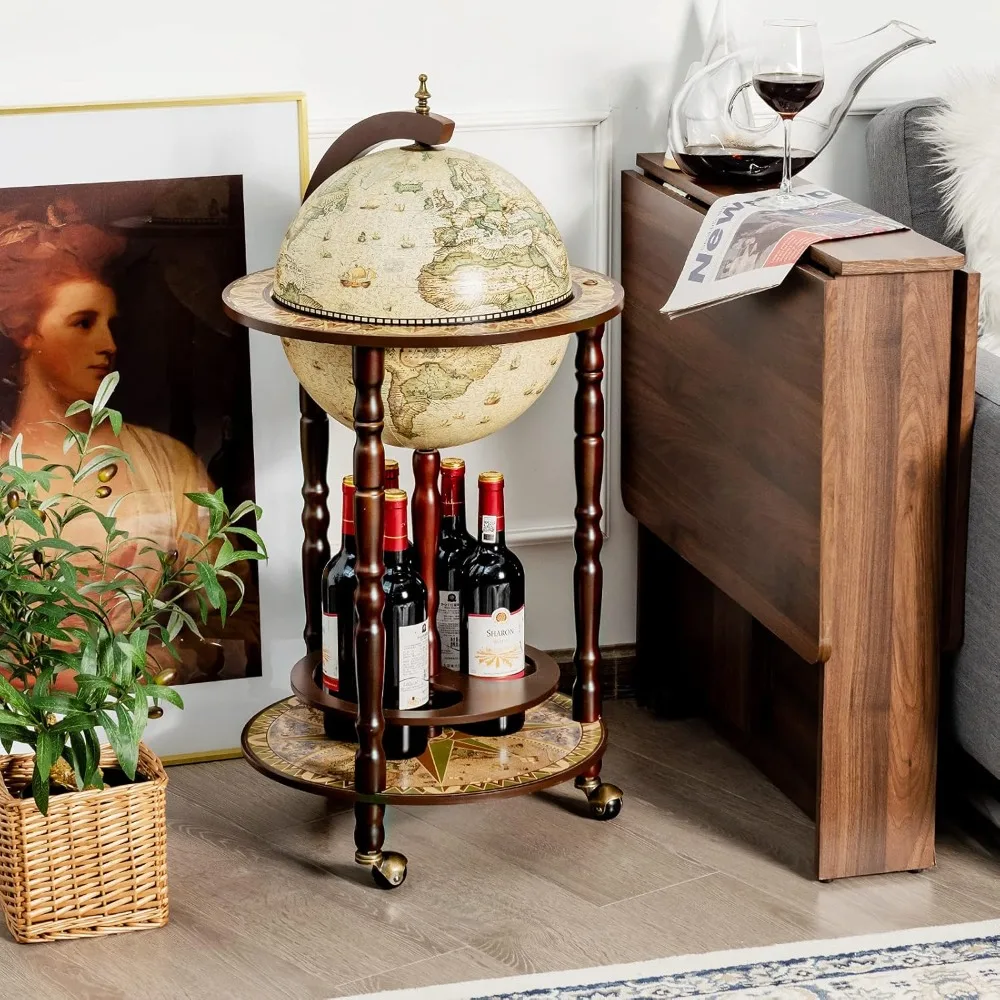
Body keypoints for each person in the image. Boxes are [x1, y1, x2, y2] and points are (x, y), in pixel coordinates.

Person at [0, 202, 251, 684]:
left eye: (112, 323)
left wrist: (167, 660)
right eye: (83, 321)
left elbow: (230, 613)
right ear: (27, 331)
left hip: (146, 718)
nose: (109, 343)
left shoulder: (169, 465)